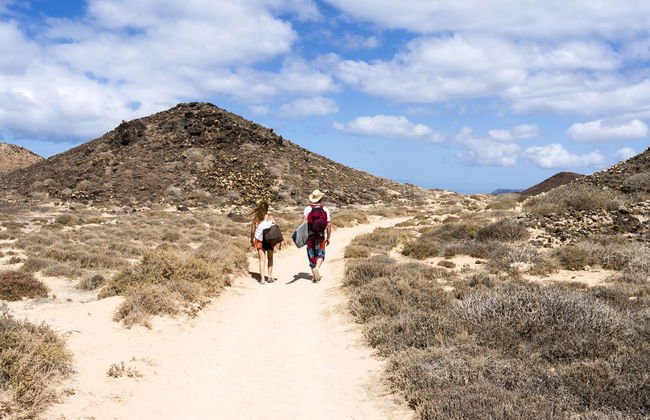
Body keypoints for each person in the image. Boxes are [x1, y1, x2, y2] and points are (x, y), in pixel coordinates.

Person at [302, 189, 331, 283]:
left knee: (311, 254)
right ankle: (317, 269)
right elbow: (329, 225)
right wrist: (329, 237)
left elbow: (303, 223)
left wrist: (302, 236)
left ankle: (314, 274)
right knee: (321, 254)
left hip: (310, 235)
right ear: (321, 198)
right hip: (321, 235)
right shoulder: (325, 209)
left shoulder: (308, 209)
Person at [250, 200, 278, 284]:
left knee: (262, 260)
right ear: (267, 209)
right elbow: (276, 228)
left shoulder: (256, 219)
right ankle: (269, 277)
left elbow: (252, 232)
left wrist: (251, 240)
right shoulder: (271, 217)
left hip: (259, 240)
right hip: (270, 240)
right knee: (270, 258)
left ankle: (262, 279)